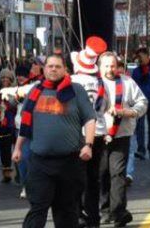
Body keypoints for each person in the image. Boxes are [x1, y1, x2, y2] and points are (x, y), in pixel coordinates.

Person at [17, 54, 97, 228]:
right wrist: (18, 148)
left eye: (57, 66)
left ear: (65, 70)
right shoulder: (35, 91)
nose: (53, 69)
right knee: (37, 209)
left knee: (66, 211)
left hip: (69, 163)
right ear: (44, 69)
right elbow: (25, 122)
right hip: (40, 163)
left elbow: (90, 119)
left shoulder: (76, 90)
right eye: (50, 66)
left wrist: (88, 145)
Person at [94, 52, 145, 227]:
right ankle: (104, 209)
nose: (110, 69)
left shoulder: (127, 82)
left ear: (118, 66)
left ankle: (118, 212)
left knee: (117, 173)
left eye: (113, 65)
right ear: (99, 67)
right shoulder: (92, 83)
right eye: (106, 66)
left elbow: (142, 103)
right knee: (101, 174)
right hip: (98, 136)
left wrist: (126, 112)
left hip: (120, 135)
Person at [129, 49, 150, 165]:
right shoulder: (136, 71)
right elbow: (133, 85)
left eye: (142, 57)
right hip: (140, 102)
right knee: (140, 127)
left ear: (148, 57)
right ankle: (141, 149)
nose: (141, 59)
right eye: (139, 57)